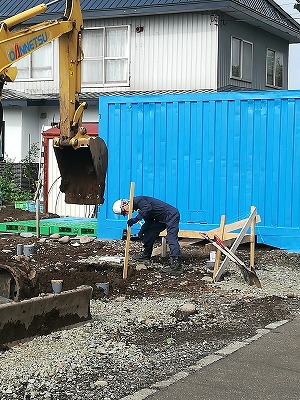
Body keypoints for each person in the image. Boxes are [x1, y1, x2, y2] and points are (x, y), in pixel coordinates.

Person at [112, 196, 183, 274]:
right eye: (124, 213)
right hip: (160, 219)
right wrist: (142, 231)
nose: (126, 213)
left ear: (124, 204)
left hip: (171, 215)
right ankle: (146, 255)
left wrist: (136, 219)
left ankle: (176, 265)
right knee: (149, 233)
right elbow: (149, 220)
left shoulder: (138, 200)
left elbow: (148, 209)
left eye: (124, 211)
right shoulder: (139, 208)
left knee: (171, 237)